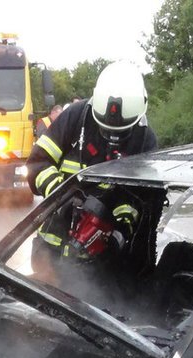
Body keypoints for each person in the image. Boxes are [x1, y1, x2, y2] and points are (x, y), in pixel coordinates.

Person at [26, 62, 157, 268]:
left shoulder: (144, 141)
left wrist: (120, 229)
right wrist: (63, 196)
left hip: (101, 264)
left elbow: (143, 200)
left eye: (121, 132)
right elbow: (38, 162)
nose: (112, 137)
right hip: (50, 248)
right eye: (105, 129)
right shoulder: (75, 117)